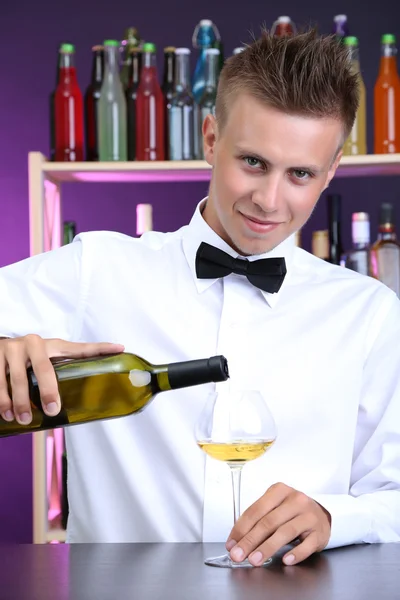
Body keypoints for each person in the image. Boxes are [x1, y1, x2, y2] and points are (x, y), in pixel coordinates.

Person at [0, 28, 399, 566]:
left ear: (329, 173)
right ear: (211, 139)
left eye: (300, 173)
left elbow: (394, 497)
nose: (268, 199)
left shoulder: (370, 313)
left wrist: (334, 517)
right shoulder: (95, 268)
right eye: (253, 162)